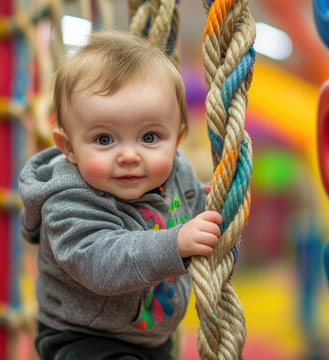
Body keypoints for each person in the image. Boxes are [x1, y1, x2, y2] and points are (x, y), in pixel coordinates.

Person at [19, 30, 222, 360]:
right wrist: (176, 243)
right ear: (69, 147)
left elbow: (183, 210)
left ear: (177, 138)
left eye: (150, 137)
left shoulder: (176, 171)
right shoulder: (66, 203)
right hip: (84, 337)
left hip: (151, 333)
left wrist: (206, 203)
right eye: (104, 140)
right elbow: (102, 262)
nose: (129, 155)